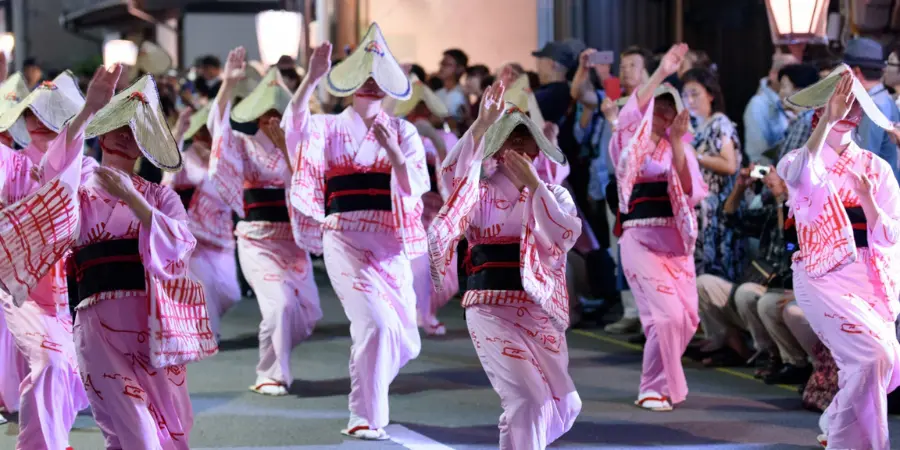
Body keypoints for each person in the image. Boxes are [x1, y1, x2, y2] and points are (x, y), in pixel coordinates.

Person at [0, 66, 217, 449]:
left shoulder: (158, 195)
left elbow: (181, 242)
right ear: (102, 132)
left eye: (135, 129)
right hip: (97, 324)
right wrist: (88, 110)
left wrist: (135, 200)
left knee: (155, 432)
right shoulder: (82, 175)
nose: (125, 133)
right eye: (119, 124)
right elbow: (51, 171)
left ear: (143, 145)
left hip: (151, 326)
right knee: (139, 433)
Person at [284, 24, 425, 440]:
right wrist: (311, 78)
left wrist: (396, 154)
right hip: (344, 235)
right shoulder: (326, 126)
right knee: (375, 325)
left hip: (390, 242)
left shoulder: (405, 132)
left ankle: (370, 390)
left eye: (376, 77)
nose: (369, 83)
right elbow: (294, 127)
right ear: (347, 83)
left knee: (404, 338)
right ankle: (364, 415)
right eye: (361, 76)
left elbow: (415, 185)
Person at [427, 80, 581, 449]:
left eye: (522, 140)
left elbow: (564, 236)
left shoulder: (554, 193)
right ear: (495, 148)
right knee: (526, 398)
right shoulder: (476, 192)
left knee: (562, 403)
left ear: (536, 149)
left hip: (537, 311)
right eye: (507, 139)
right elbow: (453, 179)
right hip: (489, 307)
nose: (515, 148)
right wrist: (480, 126)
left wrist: (536, 188)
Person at [778, 66, 900, 449]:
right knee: (872, 355)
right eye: (841, 101)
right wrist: (826, 123)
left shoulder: (876, 167)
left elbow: (892, 232)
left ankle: (836, 422)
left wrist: (868, 202)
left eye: (855, 104)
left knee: (882, 361)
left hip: (868, 274)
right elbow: (798, 177)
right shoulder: (801, 156)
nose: (849, 109)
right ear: (824, 106)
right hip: (820, 273)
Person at [208, 49, 322, 397]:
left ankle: (274, 361)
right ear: (257, 115)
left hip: (293, 240)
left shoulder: (303, 146)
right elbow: (218, 129)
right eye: (267, 113)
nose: (273, 119)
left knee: (307, 313)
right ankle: (270, 374)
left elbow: (310, 183)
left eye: (280, 113)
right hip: (257, 238)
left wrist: (285, 148)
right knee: (279, 305)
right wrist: (228, 84)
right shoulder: (243, 145)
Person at [611, 44, 708, 411]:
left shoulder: (679, 148)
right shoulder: (628, 141)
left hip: (675, 244)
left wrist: (679, 150)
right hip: (640, 238)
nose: (665, 113)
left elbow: (690, 190)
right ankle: (653, 386)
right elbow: (630, 117)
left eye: (672, 107)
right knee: (665, 316)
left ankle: (654, 386)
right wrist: (662, 72)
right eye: (659, 106)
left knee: (683, 318)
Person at [0, 68, 90, 449]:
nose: (37, 120)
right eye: (32, 112)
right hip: (13, 282)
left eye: (49, 113)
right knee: (48, 361)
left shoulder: (84, 169)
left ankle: (50, 438)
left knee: (65, 368)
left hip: (64, 288)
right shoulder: (7, 161)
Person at [387, 75, 459, 335]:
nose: (420, 114)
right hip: (408, 207)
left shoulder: (446, 138)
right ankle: (421, 315)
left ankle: (426, 311)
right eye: (414, 109)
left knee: (445, 268)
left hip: (439, 208)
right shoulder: (397, 135)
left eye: (424, 109)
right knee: (416, 264)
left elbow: (454, 175)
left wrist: (436, 141)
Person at [162, 104, 241, 340]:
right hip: (192, 237)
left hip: (223, 236)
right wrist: (177, 135)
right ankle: (206, 335)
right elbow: (167, 180)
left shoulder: (227, 159)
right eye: (205, 131)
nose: (209, 136)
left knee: (231, 293)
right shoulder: (185, 158)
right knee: (204, 288)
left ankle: (194, 324)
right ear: (197, 134)